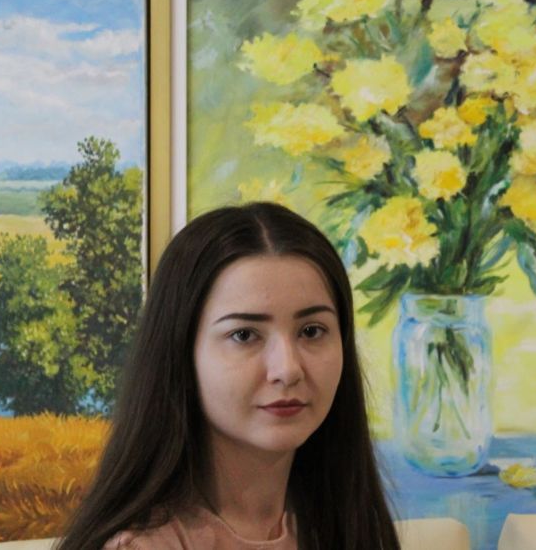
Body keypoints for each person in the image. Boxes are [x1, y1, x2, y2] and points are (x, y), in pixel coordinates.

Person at [56, 202, 401, 550]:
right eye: (244, 335)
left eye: (311, 331)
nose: (287, 369)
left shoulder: (351, 525)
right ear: (180, 354)